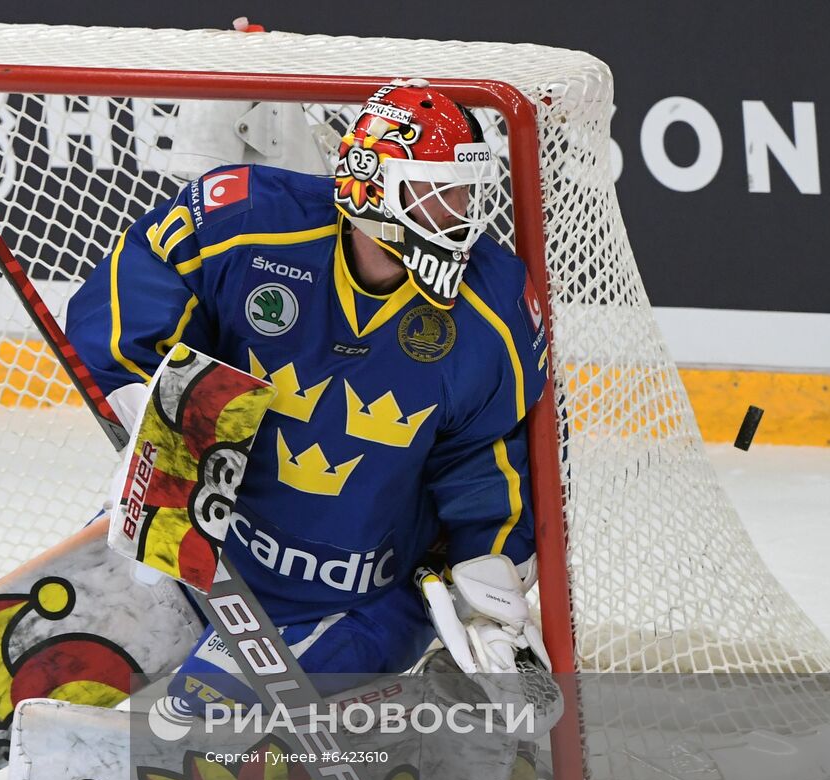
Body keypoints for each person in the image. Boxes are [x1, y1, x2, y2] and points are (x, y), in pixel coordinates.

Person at [63, 81, 553, 713]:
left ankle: (443, 738)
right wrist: (151, 402)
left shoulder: (494, 314)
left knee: (194, 737)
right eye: (435, 191)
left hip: (357, 599)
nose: (459, 209)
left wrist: (490, 575)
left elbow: (486, 458)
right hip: (198, 550)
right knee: (15, 649)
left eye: (463, 190)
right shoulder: (248, 224)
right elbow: (140, 284)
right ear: (369, 187)